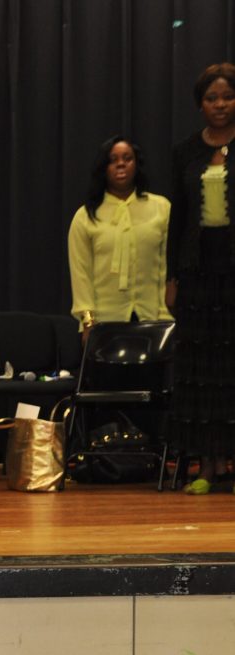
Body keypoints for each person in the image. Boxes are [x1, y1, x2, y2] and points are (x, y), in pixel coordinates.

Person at [166, 63, 235, 494]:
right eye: (212, 98)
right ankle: (208, 464)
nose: (221, 104)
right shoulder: (185, 152)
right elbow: (178, 220)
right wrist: (171, 277)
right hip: (197, 275)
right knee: (204, 373)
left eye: (228, 96)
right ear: (200, 104)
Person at [68, 135, 171, 340]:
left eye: (127, 158)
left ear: (137, 164)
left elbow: (166, 267)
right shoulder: (85, 216)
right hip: (103, 324)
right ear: (103, 168)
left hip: (153, 320)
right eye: (113, 160)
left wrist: (165, 315)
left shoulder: (161, 208)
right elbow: (81, 275)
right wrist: (88, 321)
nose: (121, 164)